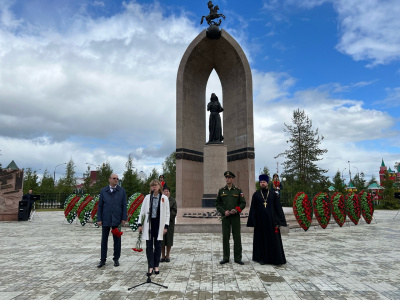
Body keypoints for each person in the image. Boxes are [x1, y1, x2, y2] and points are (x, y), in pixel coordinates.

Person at [247, 174, 287, 265]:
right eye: (261, 182)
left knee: (273, 240)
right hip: (260, 222)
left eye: (264, 182)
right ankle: (262, 258)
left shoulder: (273, 194)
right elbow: (253, 208)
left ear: (267, 183)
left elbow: (278, 208)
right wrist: (252, 221)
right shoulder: (256, 194)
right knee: (261, 240)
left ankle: (274, 259)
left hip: (271, 222)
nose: (262, 184)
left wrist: (279, 221)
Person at [138, 179, 170, 276]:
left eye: (156, 185)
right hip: (149, 224)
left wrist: (166, 226)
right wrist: (140, 224)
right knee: (149, 246)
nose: (154, 187)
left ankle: (156, 265)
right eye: (152, 186)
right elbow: (142, 211)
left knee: (158, 245)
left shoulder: (164, 198)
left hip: (159, 224)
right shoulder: (147, 198)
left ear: (159, 186)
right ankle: (150, 266)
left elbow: (167, 213)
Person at [97, 174, 127, 268]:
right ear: (109, 179)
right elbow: (100, 205)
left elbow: (124, 205)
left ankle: (116, 259)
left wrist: (123, 218)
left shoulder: (121, 191)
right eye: (114, 178)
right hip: (106, 218)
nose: (116, 180)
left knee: (117, 240)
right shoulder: (103, 191)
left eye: (117, 179)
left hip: (117, 219)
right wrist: (99, 218)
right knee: (104, 240)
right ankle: (102, 260)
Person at [215, 171, 246, 265]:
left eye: (229, 177)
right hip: (225, 217)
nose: (227, 179)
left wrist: (236, 210)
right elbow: (217, 203)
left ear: (233, 179)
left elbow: (243, 203)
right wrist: (224, 211)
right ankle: (226, 257)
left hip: (235, 217)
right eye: (226, 177)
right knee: (225, 237)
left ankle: (238, 258)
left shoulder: (238, 190)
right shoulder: (221, 190)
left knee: (237, 237)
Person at [161, 186, 177, 263]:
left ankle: (167, 255)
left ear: (169, 192)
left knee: (169, 239)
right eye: (164, 191)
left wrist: (167, 216)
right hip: (161, 222)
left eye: (167, 191)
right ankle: (162, 256)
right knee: (162, 240)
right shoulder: (161, 199)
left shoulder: (173, 201)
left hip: (170, 222)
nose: (166, 193)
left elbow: (174, 211)